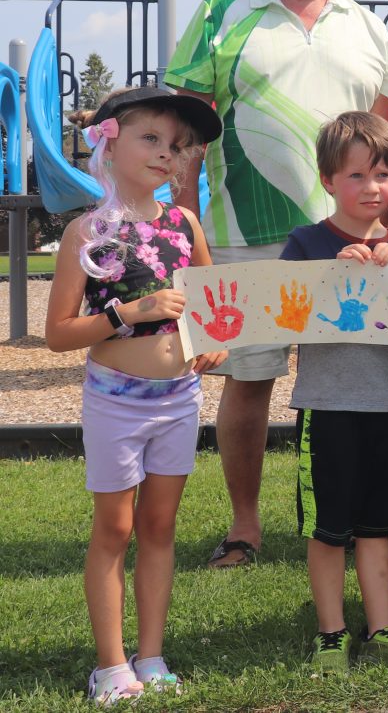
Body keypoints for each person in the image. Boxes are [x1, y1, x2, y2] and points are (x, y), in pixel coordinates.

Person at [166, 0, 388, 569]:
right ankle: (245, 526)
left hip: (351, 241)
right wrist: (186, 228)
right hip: (248, 231)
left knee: (352, 383)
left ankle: (352, 522)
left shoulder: (365, 24)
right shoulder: (222, 13)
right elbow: (186, 126)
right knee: (251, 377)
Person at [44, 86, 226, 703]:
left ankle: (150, 655)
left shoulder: (185, 224)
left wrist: (215, 341)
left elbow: (211, 306)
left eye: (174, 146)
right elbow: (57, 334)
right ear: (111, 140)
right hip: (115, 400)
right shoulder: (86, 233)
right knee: (114, 529)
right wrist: (129, 314)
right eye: (151, 139)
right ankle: (110, 664)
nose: (166, 154)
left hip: (180, 397)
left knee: (159, 525)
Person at [282, 113, 388, 675]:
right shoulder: (305, 244)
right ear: (328, 180)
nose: (372, 188)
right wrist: (328, 273)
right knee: (328, 531)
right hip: (326, 408)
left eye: (385, 174)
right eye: (356, 176)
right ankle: (330, 635)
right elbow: (284, 317)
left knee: (379, 528)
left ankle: (383, 629)